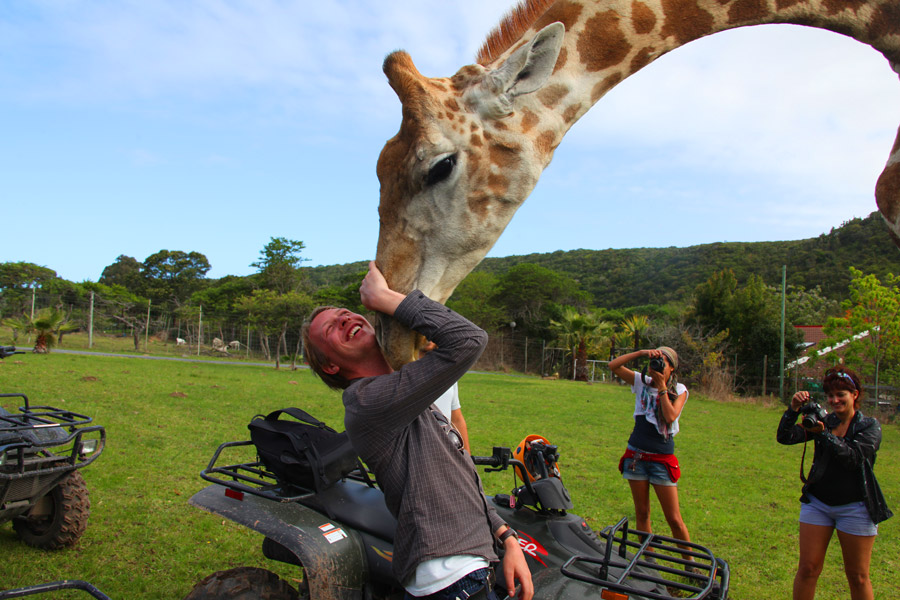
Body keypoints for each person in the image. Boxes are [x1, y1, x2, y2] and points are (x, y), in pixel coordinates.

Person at [301, 261, 532, 600]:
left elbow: (458, 475)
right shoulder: (367, 402)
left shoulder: (405, 389)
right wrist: (386, 298)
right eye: (331, 329)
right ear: (331, 365)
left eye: (345, 313)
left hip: (466, 572)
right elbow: (468, 339)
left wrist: (505, 536)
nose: (345, 319)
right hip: (451, 580)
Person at [777, 366, 892, 600]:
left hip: (856, 506)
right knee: (808, 569)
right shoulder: (824, 421)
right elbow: (785, 437)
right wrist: (793, 410)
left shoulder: (869, 427)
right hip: (818, 503)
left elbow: (853, 458)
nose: (835, 399)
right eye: (831, 395)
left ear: (855, 395)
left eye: (841, 394)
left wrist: (822, 434)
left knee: (858, 576)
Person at [608, 347, 692, 547]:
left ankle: (691, 565)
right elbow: (613, 366)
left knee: (674, 519)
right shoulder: (641, 382)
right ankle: (647, 558)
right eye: (655, 361)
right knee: (642, 513)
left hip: (661, 460)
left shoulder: (679, 390)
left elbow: (670, 417)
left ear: (672, 368)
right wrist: (641, 354)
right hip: (636, 456)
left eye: (663, 362)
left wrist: (662, 387)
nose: (658, 365)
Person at [421, 341, 471, 453]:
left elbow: (456, 419)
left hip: (445, 452)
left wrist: (468, 459)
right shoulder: (400, 371)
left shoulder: (448, 370)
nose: (426, 335)